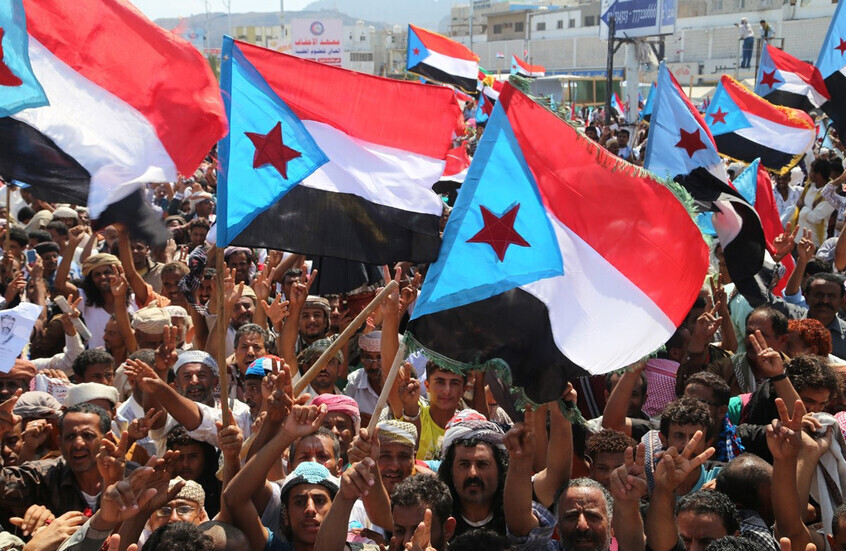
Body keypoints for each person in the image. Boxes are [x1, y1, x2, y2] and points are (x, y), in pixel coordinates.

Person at [437, 409, 508, 537]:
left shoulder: (514, 516)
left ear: (499, 469)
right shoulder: (437, 520)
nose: (473, 473)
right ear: (451, 470)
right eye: (464, 465)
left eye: (482, 464)